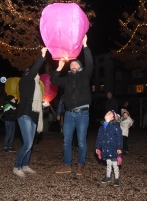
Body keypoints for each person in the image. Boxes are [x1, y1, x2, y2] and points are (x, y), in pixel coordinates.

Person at [51, 35, 94, 176]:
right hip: (69, 114)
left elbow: (90, 63)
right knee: (66, 141)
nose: (74, 65)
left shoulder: (85, 76)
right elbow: (53, 79)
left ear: (80, 67)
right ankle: (67, 165)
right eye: (72, 64)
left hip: (82, 114)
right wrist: (59, 67)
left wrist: (85, 46)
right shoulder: (67, 79)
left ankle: (80, 165)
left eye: (76, 64)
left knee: (81, 141)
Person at [13, 47, 48, 178]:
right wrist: (43, 56)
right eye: (35, 72)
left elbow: (35, 102)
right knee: (27, 143)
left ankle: (26, 165)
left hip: (33, 115)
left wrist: (43, 104)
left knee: (30, 143)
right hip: (25, 114)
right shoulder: (26, 81)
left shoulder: (36, 87)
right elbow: (34, 69)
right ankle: (16, 167)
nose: (37, 74)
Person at [95, 110, 123, 187]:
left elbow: (119, 137)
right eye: (107, 112)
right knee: (108, 163)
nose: (107, 113)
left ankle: (117, 178)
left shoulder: (115, 126)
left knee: (115, 164)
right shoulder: (102, 127)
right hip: (105, 148)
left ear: (113, 117)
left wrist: (119, 147)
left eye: (110, 113)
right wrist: (98, 147)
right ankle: (108, 176)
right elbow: (99, 138)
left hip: (113, 148)